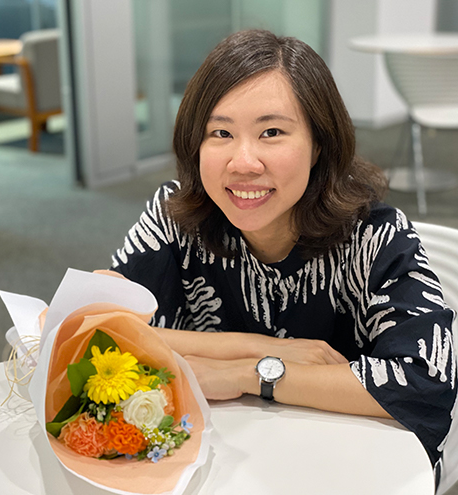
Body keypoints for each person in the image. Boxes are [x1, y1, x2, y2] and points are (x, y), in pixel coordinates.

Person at [109, 30, 456, 485]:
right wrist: (266, 348)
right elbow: (95, 333)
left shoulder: (375, 235)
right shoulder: (174, 216)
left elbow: (424, 382)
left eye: (271, 132)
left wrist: (250, 374)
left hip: (347, 463)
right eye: (221, 133)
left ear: (318, 144)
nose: (243, 162)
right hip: (214, 459)